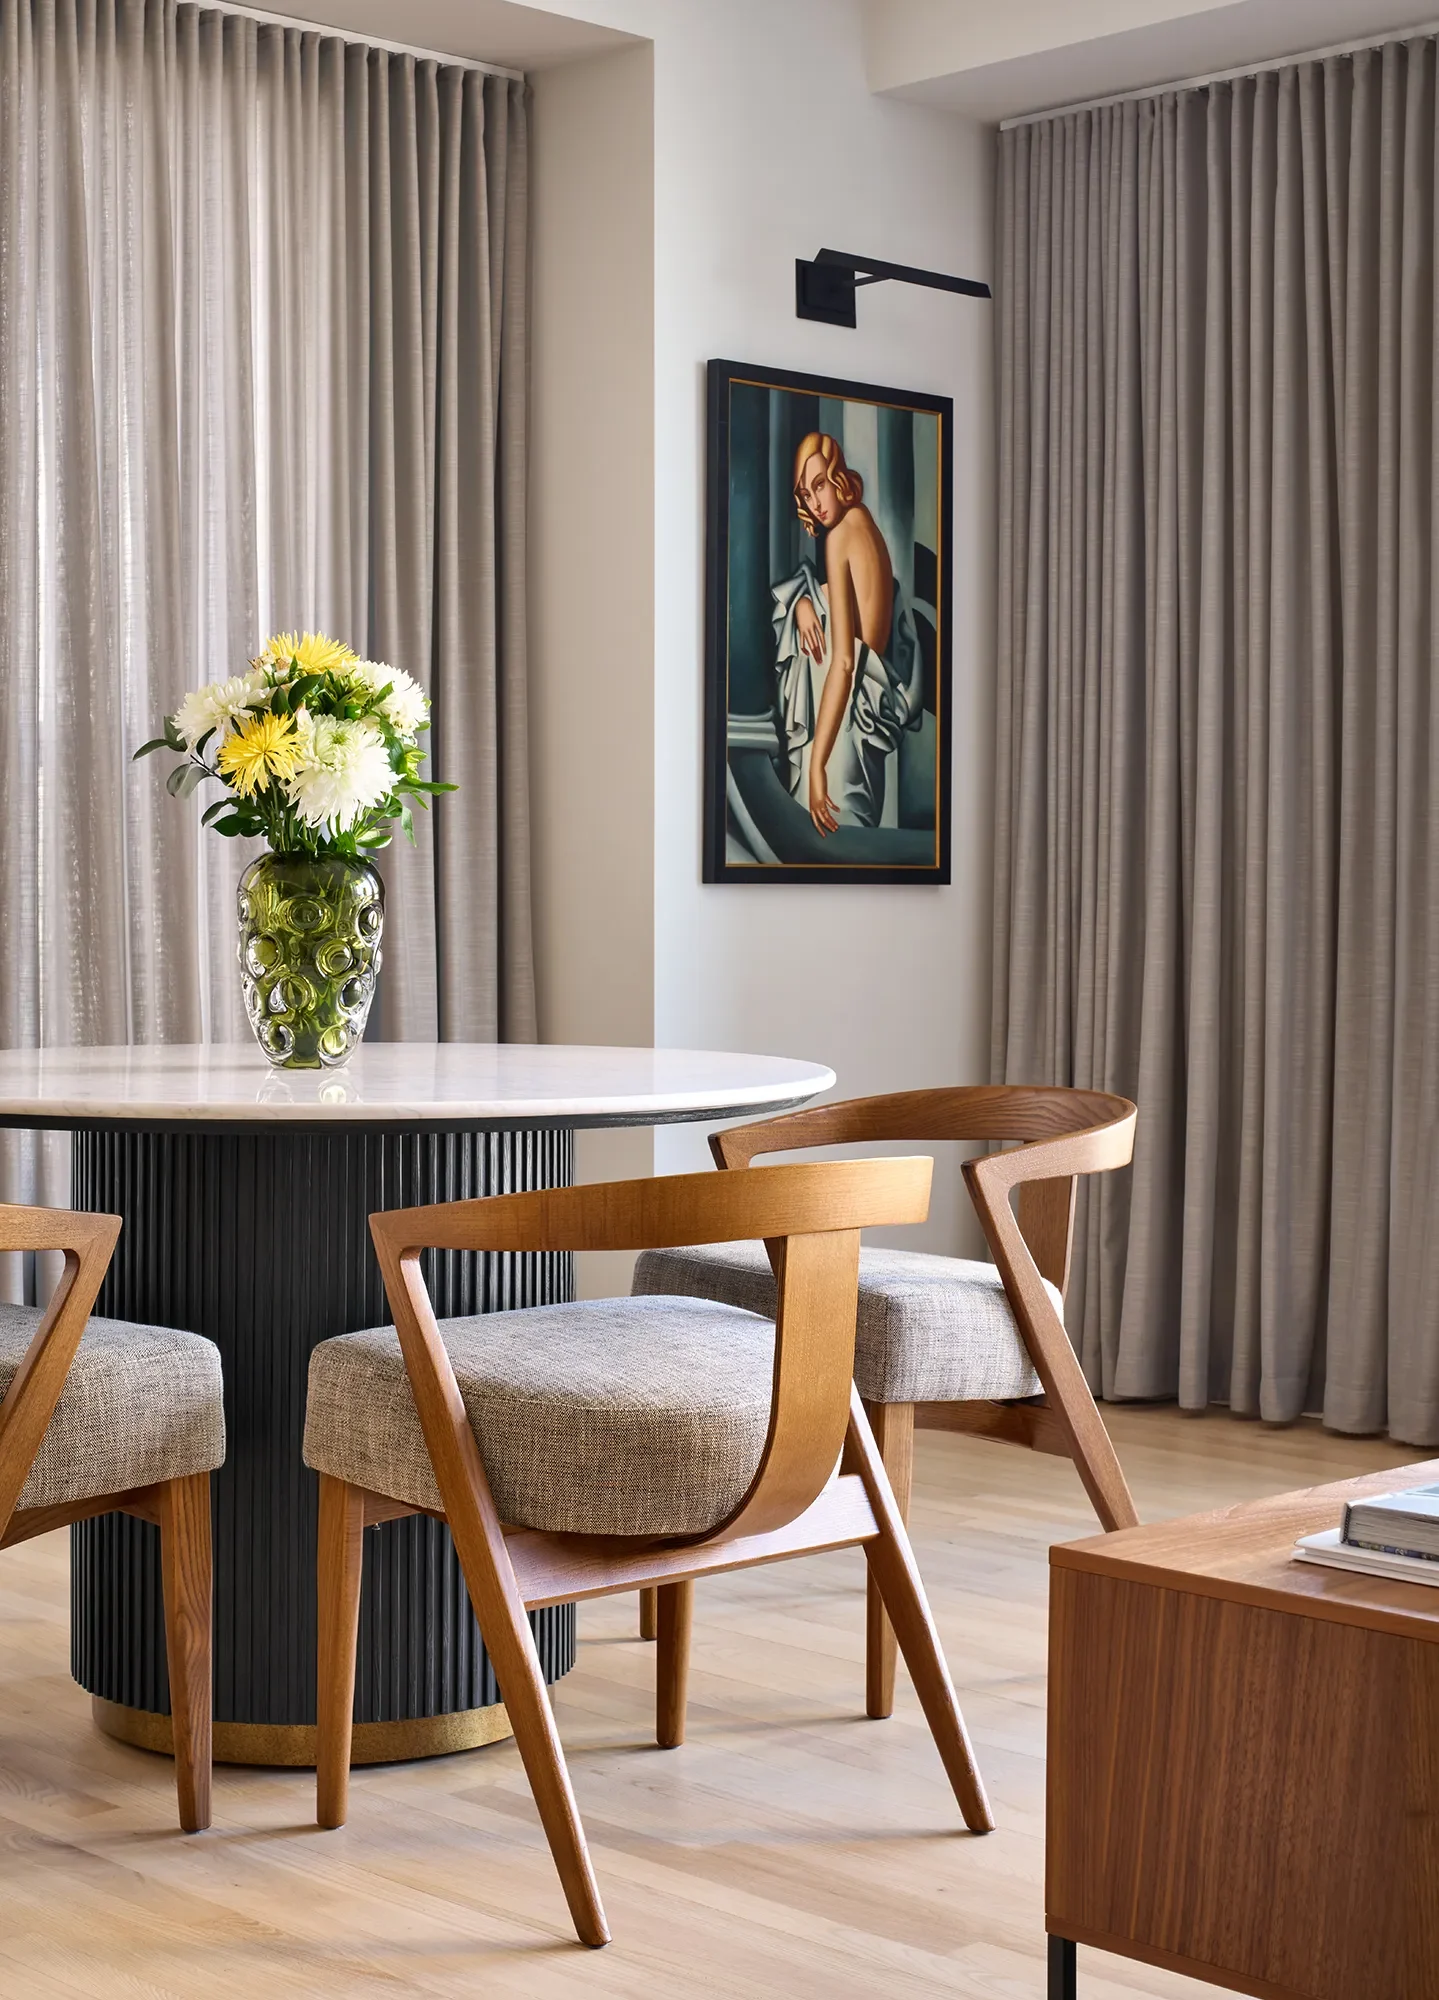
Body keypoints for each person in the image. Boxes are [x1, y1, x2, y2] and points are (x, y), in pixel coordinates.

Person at [771, 431, 923, 834]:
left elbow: (844, 660)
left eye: (819, 485)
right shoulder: (862, 524)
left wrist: (818, 762)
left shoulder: (840, 536)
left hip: (844, 725)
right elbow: (845, 612)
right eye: (805, 494)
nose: (814, 503)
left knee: (836, 843)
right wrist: (802, 605)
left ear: (837, 476)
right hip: (854, 716)